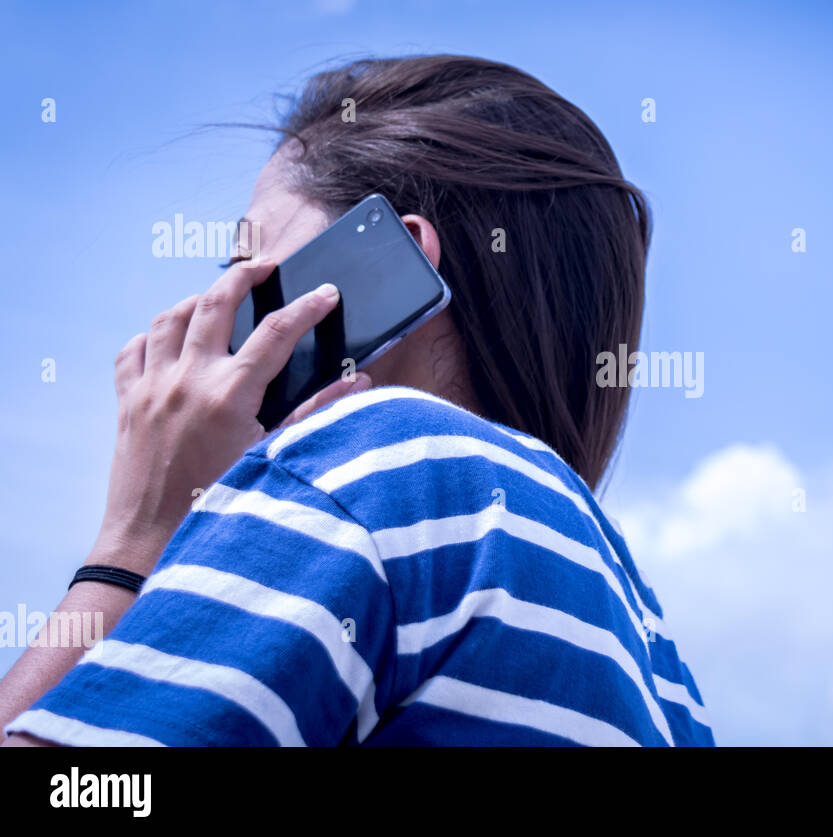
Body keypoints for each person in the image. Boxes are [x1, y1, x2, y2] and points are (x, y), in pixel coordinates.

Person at [0, 55, 712, 747]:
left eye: (246, 263)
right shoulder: (655, 650)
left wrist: (135, 538)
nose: (216, 311)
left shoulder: (377, 462)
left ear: (384, 261)